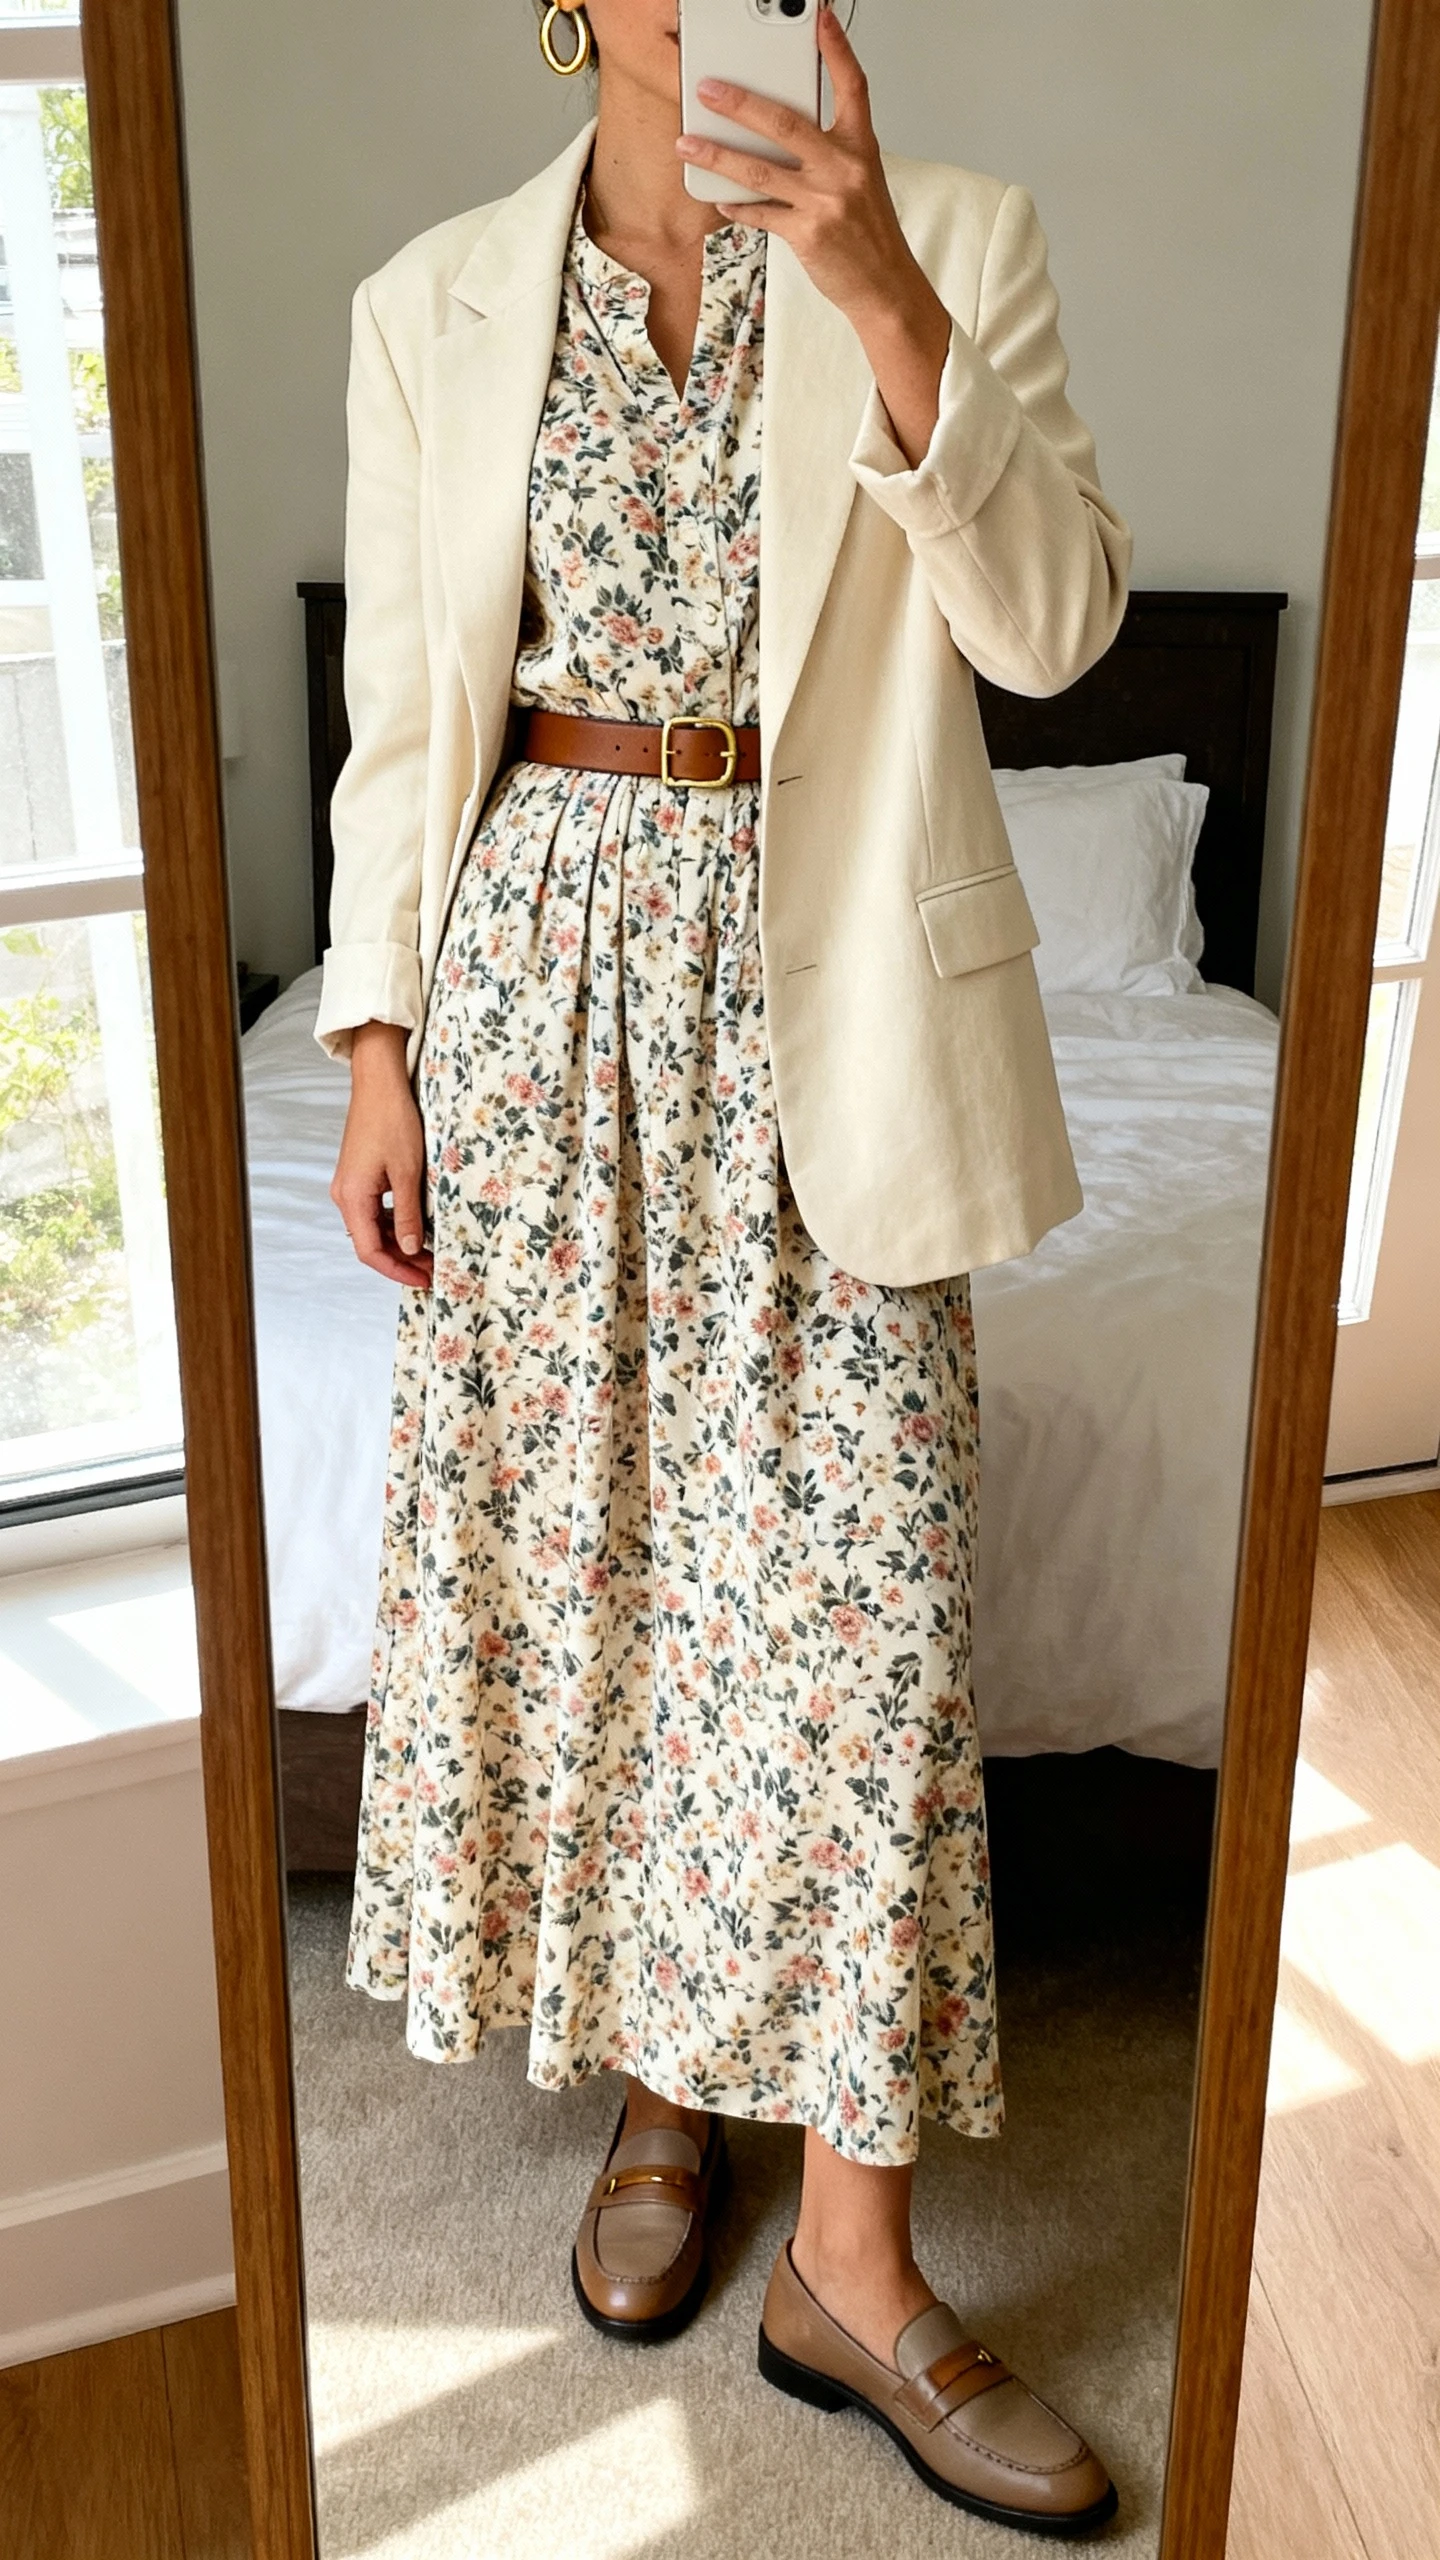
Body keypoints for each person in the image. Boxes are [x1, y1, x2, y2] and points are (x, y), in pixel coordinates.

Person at [321, 0, 1129, 2532]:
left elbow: (1058, 624)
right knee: (633, 1588)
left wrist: (879, 282)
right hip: (539, 995)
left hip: (842, 1003)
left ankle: (855, 2262)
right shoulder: (430, 295)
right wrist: (374, 1039)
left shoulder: (958, 242)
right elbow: (400, 720)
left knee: (863, 1622)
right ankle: (670, 2091)